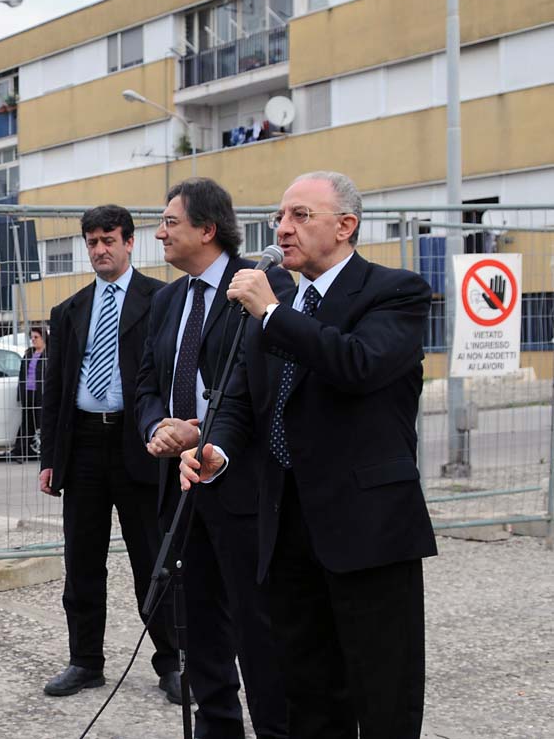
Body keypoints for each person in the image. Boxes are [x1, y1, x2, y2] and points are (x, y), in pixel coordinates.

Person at [180, 171, 436, 738]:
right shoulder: (278, 305)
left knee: (384, 696)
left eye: (300, 215)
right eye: (279, 216)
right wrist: (216, 448)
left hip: (367, 531)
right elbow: (240, 398)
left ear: (345, 226)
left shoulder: (394, 291)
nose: (282, 228)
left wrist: (273, 315)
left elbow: (357, 364)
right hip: (286, 528)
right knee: (309, 694)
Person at [135, 178, 291, 738]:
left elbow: (262, 384)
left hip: (241, 481)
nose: (160, 233)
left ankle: (275, 727)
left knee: (255, 621)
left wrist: (202, 433)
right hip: (179, 486)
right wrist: (158, 426)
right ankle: (217, 724)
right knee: (196, 616)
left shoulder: (259, 282)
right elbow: (147, 382)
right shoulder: (167, 299)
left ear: (207, 229)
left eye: (170, 222)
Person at [37, 204, 182, 702]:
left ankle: (172, 662)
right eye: (92, 242)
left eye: (108, 240)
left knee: (153, 558)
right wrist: (50, 459)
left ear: (129, 242)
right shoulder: (69, 311)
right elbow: (55, 391)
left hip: (141, 443)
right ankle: (85, 661)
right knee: (82, 561)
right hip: (83, 447)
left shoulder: (161, 300)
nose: (99, 250)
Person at [13, 325, 48, 460]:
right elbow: (22, 375)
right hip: (29, 394)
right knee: (27, 422)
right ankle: (20, 450)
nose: (33, 340)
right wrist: (20, 394)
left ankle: (45, 451)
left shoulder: (49, 355)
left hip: (43, 395)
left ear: (43, 337)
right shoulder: (28, 354)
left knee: (43, 422)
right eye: (31, 337)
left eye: (36, 337)